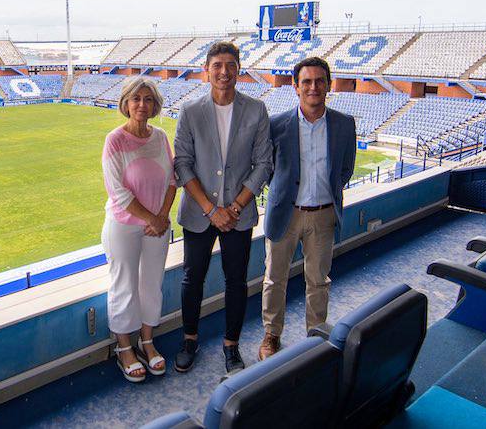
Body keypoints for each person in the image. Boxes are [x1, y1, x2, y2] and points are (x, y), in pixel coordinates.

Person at [173, 41, 273, 376]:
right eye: (217, 65)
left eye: (230, 65)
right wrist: (210, 209)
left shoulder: (256, 109)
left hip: (238, 213)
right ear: (207, 70)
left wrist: (233, 207)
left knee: (236, 281)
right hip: (200, 214)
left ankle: (231, 346)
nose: (224, 72)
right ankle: (189, 340)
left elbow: (263, 164)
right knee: (192, 278)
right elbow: (183, 165)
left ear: (239, 69)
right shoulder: (190, 111)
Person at [259, 56, 357, 360]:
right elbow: (267, 169)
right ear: (295, 86)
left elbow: (345, 169)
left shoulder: (344, 124)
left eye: (319, 81)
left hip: (324, 215)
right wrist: (283, 192)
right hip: (285, 214)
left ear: (328, 85)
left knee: (318, 280)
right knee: (275, 279)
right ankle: (271, 336)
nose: (313, 87)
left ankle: (315, 335)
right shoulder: (276, 125)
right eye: (307, 82)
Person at [101, 76, 177, 383]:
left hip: (157, 226)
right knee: (124, 285)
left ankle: (147, 341)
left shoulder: (160, 137)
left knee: (151, 284)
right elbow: (118, 192)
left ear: (155, 104)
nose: (142, 105)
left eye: (148, 99)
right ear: (126, 103)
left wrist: (162, 216)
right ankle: (124, 348)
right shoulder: (115, 140)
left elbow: (173, 180)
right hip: (124, 226)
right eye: (136, 99)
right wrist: (152, 218)